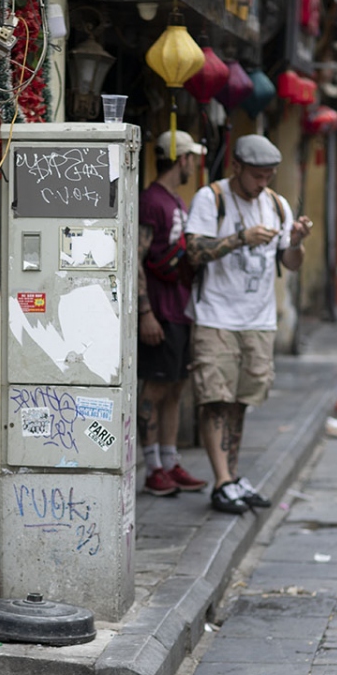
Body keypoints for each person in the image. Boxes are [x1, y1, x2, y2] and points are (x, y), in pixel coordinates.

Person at [183, 135, 313, 514]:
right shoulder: (212, 198)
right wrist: (241, 238)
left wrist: (297, 241)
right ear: (236, 167)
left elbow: (290, 263)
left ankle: (234, 476)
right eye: (257, 176)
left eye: (269, 177)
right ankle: (222, 481)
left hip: (258, 319)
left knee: (242, 400)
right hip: (216, 317)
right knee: (215, 399)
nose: (262, 184)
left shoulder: (276, 204)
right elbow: (194, 250)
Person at [137, 130, 208, 497]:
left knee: (177, 387)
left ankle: (170, 459)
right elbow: (137, 257)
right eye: (193, 158)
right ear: (182, 159)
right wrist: (145, 311)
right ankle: (151, 467)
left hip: (181, 309)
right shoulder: (152, 201)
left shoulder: (177, 201)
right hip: (160, 312)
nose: (194, 164)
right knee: (156, 387)